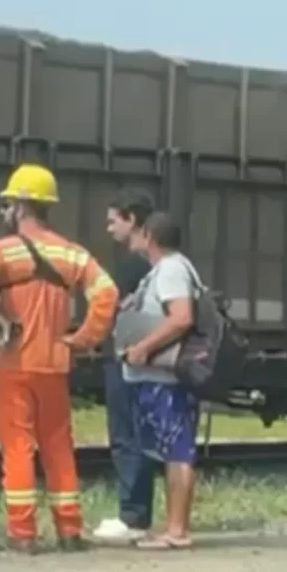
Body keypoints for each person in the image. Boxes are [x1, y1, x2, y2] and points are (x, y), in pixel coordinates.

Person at [0, 162, 118, 553]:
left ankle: (23, 533)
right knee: (58, 445)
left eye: (6, 205)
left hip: (13, 364)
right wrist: (84, 338)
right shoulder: (71, 253)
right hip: (54, 363)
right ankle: (69, 530)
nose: (3, 213)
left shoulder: (3, 250)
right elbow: (107, 293)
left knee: (17, 446)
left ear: (20, 206)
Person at [117, 211, 200, 550]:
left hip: (165, 380)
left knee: (177, 450)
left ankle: (177, 530)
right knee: (170, 449)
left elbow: (181, 318)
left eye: (139, 233)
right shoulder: (168, 270)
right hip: (156, 379)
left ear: (149, 236)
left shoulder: (171, 269)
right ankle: (173, 526)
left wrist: (142, 348)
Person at [92, 189, 156, 543]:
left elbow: (112, 308)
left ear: (132, 219)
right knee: (138, 435)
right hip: (138, 359)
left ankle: (131, 516)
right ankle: (137, 514)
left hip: (124, 358)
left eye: (113, 220)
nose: (109, 228)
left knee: (125, 436)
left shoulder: (132, 264)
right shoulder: (152, 262)